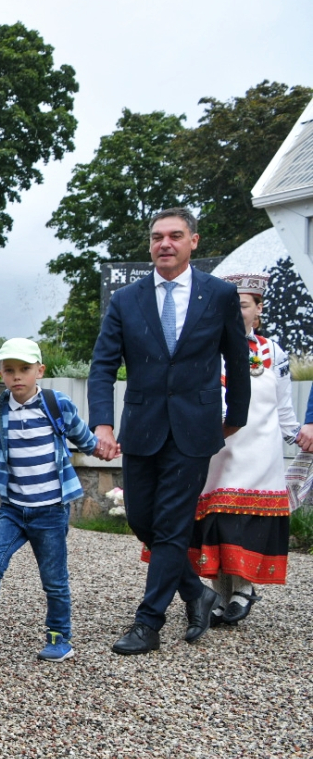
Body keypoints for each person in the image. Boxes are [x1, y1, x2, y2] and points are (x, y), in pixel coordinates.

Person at [89, 208, 250, 656]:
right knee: (143, 519)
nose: (165, 243)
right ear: (150, 244)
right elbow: (102, 365)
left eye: (175, 235)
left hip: (195, 427)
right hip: (142, 426)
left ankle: (149, 622)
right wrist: (102, 422)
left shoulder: (219, 295)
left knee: (172, 524)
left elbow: (237, 360)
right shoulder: (126, 299)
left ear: (193, 241)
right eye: (158, 236)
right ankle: (196, 592)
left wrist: (236, 416)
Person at [0, 338, 105, 661]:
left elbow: (84, 438)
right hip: (13, 509)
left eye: (24, 369)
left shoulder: (56, 404)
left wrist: (104, 447)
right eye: (9, 370)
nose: (17, 376)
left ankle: (59, 638)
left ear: (39, 371)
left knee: (54, 579)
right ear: (0, 373)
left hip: (50, 510)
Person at [172, 273, 297, 625]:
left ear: (258, 310)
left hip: (258, 451)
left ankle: (243, 589)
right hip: (216, 449)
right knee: (213, 520)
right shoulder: (205, 346)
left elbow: (284, 406)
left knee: (239, 522)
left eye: (242, 305)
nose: (236, 310)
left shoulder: (272, 352)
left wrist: (299, 436)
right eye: (230, 304)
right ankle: (221, 595)